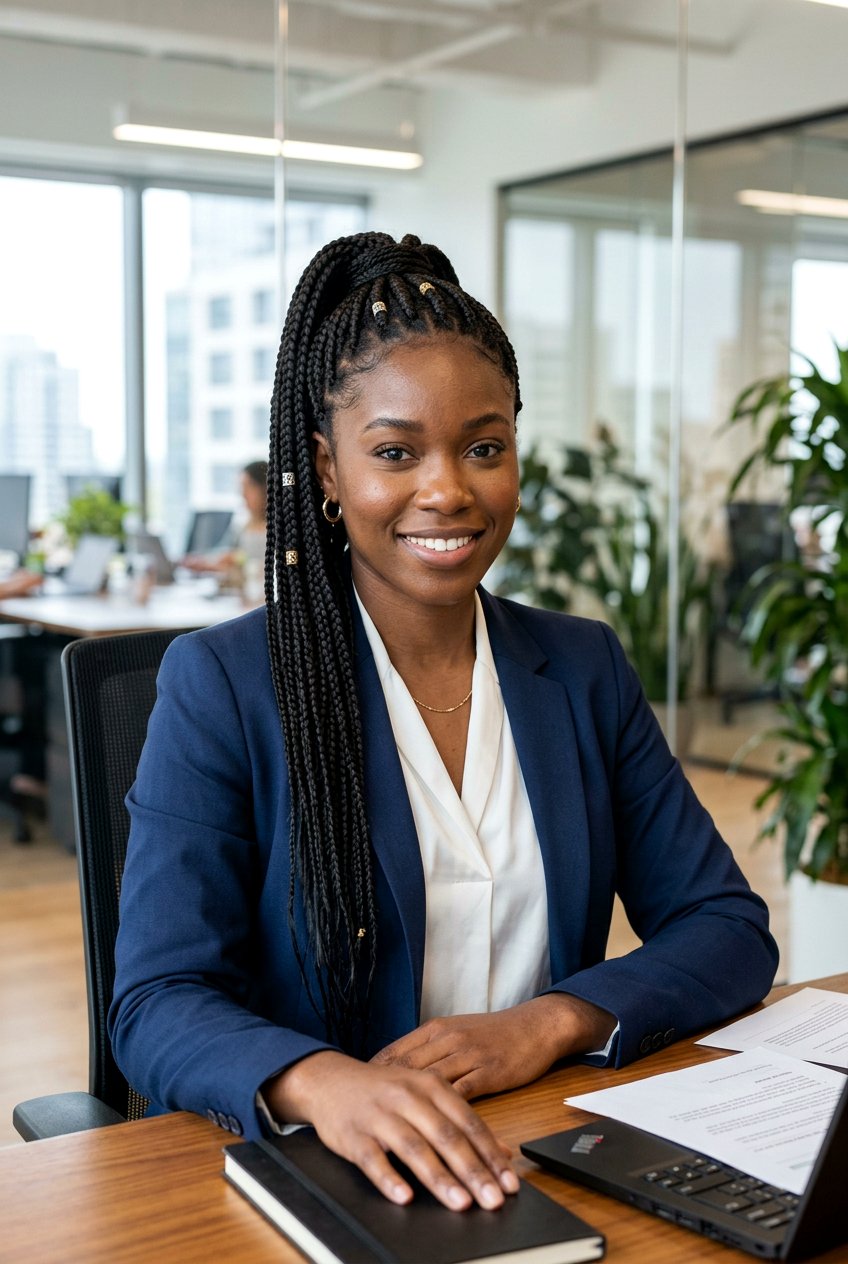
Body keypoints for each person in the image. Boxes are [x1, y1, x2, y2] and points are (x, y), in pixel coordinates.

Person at [110, 232, 778, 1215]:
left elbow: (726, 927)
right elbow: (157, 999)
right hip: (323, 1168)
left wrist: (549, 1022)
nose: (448, 489)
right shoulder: (223, 683)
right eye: (394, 451)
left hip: (532, 1146)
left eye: (483, 446)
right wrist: (322, 1080)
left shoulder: (579, 667)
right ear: (326, 471)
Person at [182, 460, 268, 573]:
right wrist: (204, 562)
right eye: (242, 488)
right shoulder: (243, 526)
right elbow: (225, 552)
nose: (243, 494)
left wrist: (237, 561)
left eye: (249, 487)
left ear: (265, 489)